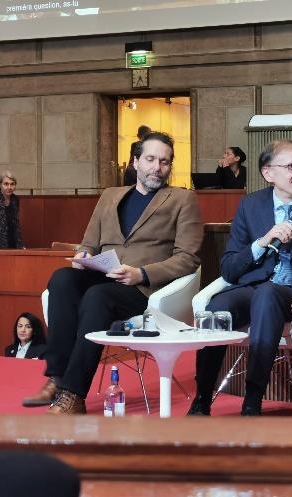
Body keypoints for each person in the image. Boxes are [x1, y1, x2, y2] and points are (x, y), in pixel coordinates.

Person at [22, 131, 203, 414]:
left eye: (165, 162)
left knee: (97, 296)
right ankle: (57, 379)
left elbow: (188, 259)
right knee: (63, 278)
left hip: (143, 290)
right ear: (135, 161)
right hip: (103, 275)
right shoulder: (110, 195)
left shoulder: (182, 200)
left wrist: (141, 273)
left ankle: (73, 394)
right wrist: (84, 256)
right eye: (151, 159)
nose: (157, 167)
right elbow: (89, 243)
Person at [188, 139, 292, 416]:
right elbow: (229, 268)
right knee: (216, 307)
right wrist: (262, 241)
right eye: (291, 166)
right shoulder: (250, 205)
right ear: (268, 173)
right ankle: (202, 399)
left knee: (267, 294)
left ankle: (252, 400)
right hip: (252, 286)